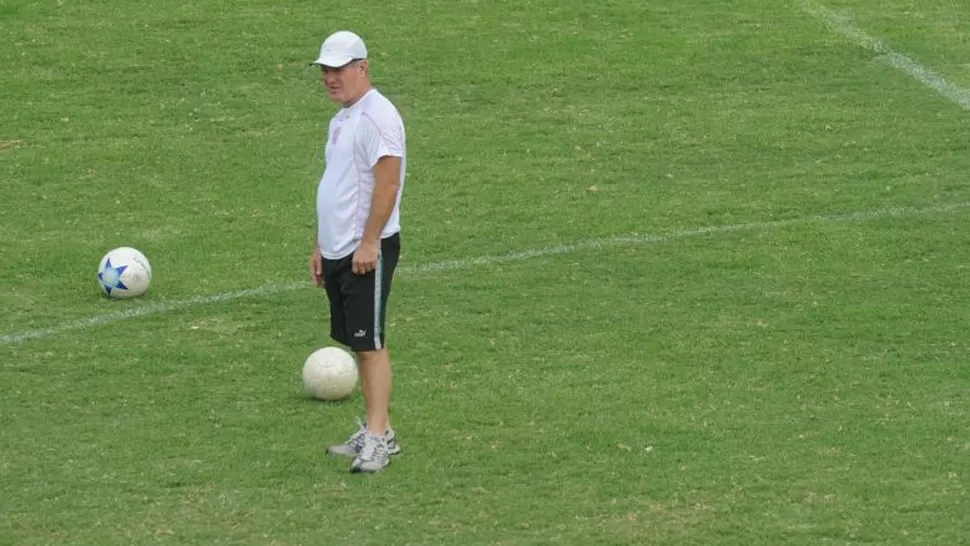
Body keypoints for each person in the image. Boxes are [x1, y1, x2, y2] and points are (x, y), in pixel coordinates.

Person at [308, 30, 407, 473]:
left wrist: (369, 242)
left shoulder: (378, 118)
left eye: (339, 69)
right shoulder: (343, 118)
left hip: (366, 248)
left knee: (371, 345)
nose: (330, 78)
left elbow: (388, 183)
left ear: (362, 67)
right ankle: (374, 430)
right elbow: (337, 186)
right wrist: (320, 244)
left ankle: (381, 437)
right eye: (325, 70)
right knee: (358, 344)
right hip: (339, 248)